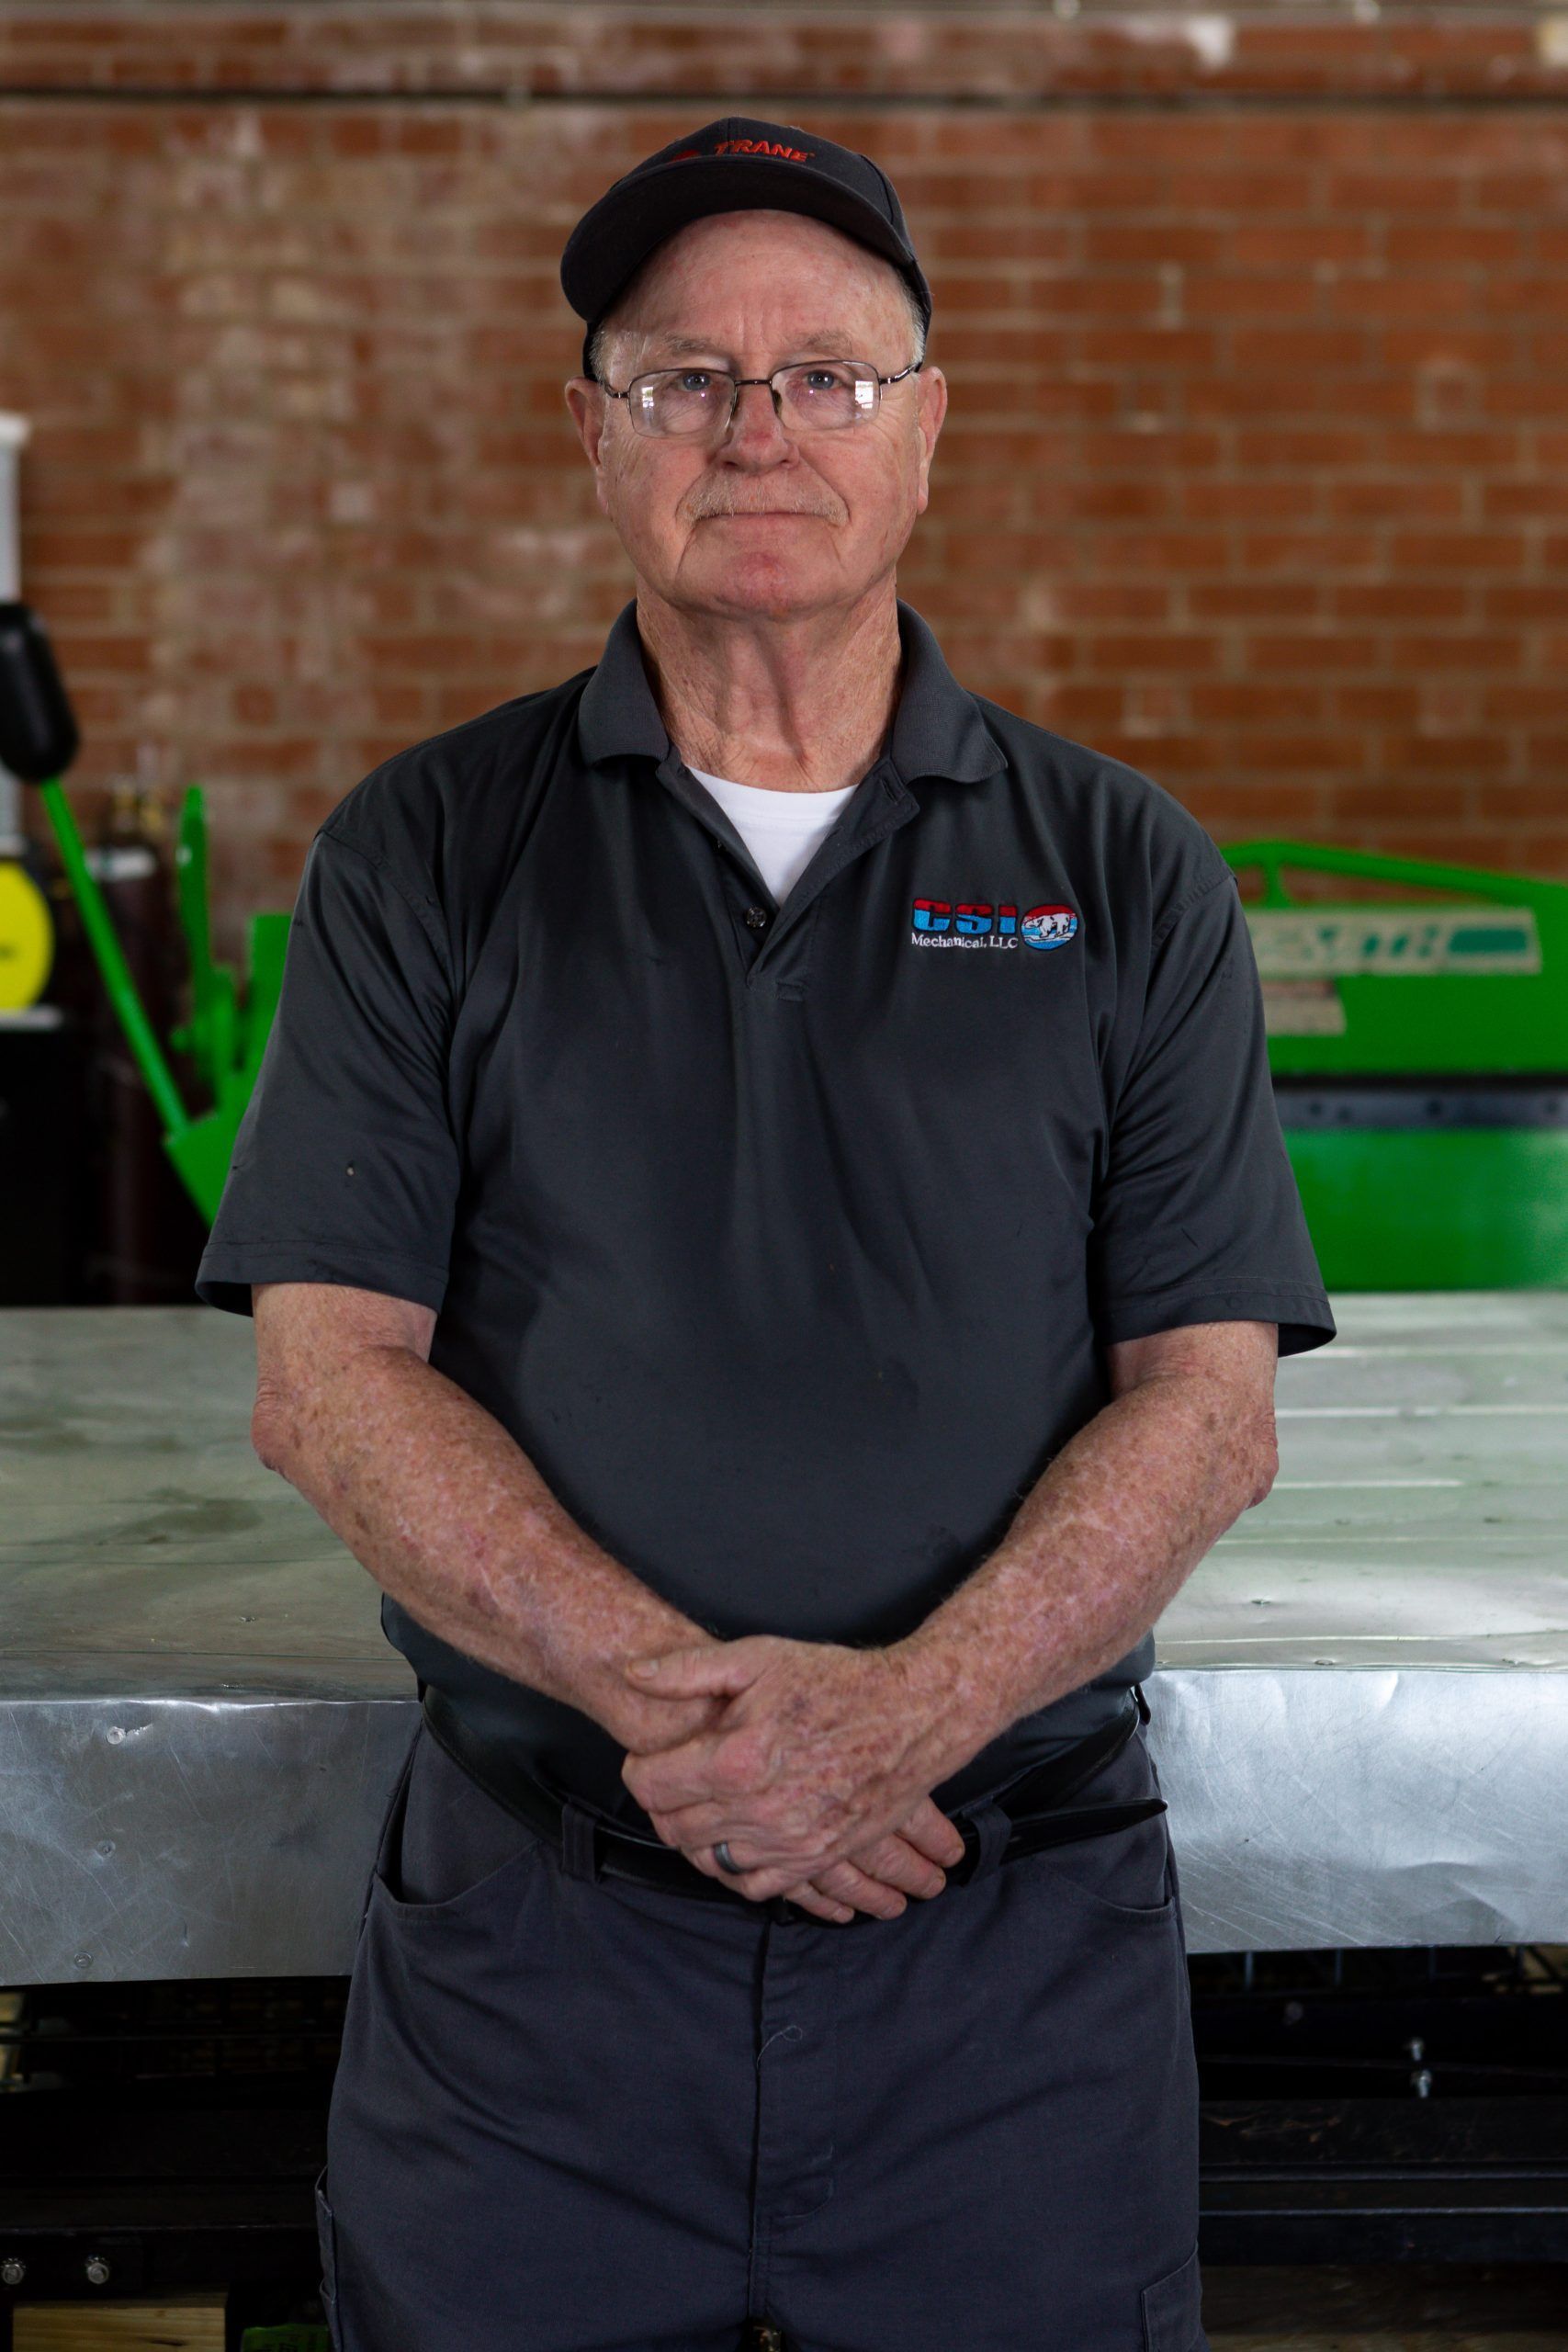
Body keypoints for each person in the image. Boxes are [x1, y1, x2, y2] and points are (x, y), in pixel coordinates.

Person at [196, 115, 1335, 2352]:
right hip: (539, 1963)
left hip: (1003, 1957)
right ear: (593, 436)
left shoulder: (1124, 870)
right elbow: (328, 1379)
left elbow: (1203, 1409)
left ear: (923, 429)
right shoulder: (424, 854)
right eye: (684, 379)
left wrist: (911, 1714)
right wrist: (711, 1732)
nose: (756, 427)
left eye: (825, 375)